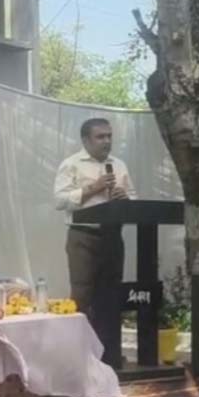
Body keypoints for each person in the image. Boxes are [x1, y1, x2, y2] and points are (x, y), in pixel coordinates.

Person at [53, 118, 137, 366]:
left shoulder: (118, 165)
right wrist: (93, 188)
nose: (107, 141)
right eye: (100, 137)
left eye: (109, 136)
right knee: (82, 295)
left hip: (112, 235)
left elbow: (134, 196)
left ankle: (109, 356)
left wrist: (125, 198)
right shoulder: (71, 164)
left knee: (110, 295)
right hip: (83, 236)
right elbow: (59, 201)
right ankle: (78, 357)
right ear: (86, 140)